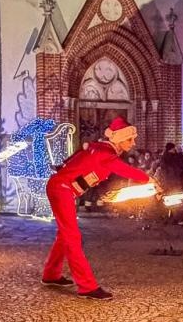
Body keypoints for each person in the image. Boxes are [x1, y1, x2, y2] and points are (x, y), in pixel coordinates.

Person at [41, 116, 151, 299]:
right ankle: (87, 287)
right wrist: (148, 179)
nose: (133, 143)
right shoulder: (105, 153)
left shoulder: (102, 149)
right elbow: (124, 170)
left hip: (62, 188)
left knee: (65, 235)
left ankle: (51, 274)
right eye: (129, 139)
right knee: (72, 237)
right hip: (62, 189)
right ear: (118, 139)